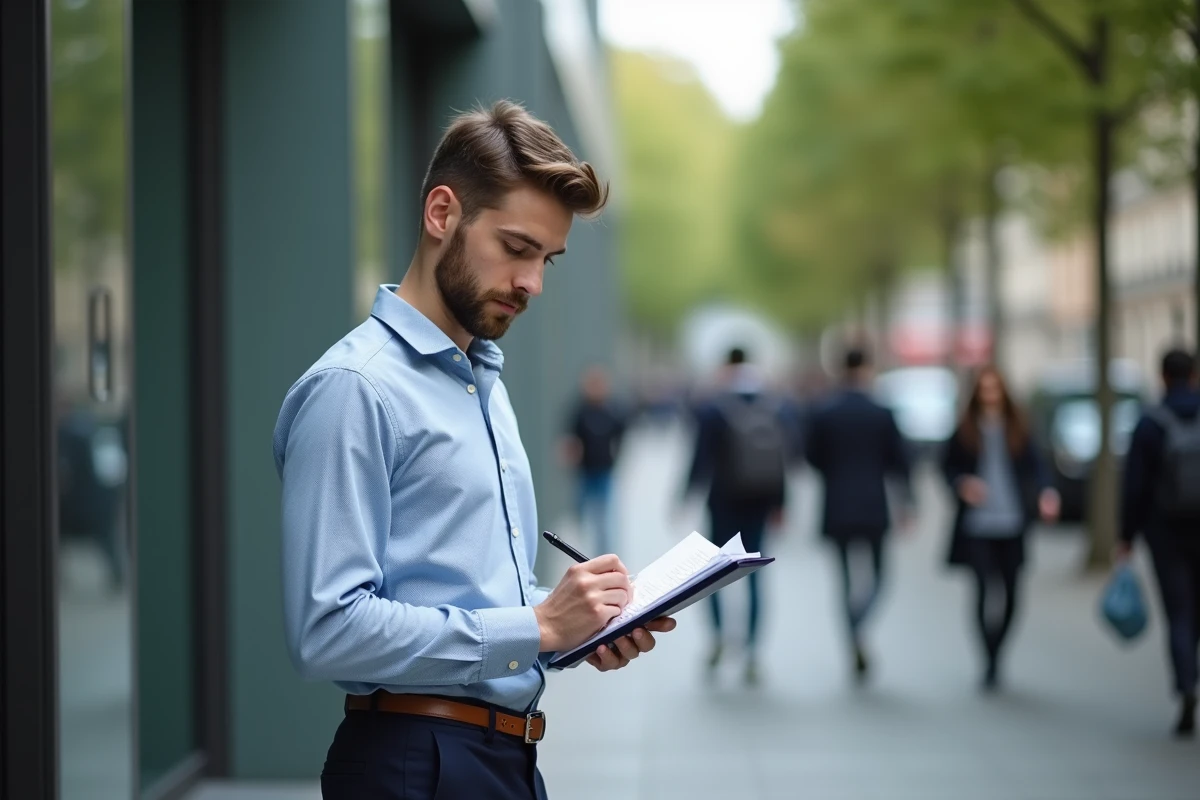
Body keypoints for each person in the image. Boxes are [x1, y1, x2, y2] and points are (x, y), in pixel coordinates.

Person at [273, 101, 675, 800]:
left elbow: (470, 597)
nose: (533, 284)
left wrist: (574, 631)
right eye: (517, 249)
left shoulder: (483, 379)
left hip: (504, 761)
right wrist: (538, 624)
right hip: (413, 763)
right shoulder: (355, 389)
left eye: (546, 259)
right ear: (441, 214)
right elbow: (327, 628)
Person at [942, 365, 1059, 691]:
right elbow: (947, 468)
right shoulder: (964, 429)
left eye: (995, 389)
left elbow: (1038, 467)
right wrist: (962, 484)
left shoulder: (1018, 427)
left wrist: (1046, 494)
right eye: (984, 390)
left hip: (1012, 522)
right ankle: (988, 659)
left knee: (1012, 595)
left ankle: (997, 651)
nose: (990, 395)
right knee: (982, 590)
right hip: (977, 525)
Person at [805, 346, 913, 683]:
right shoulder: (882, 411)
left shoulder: (825, 411)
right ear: (866, 368)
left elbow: (811, 456)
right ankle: (860, 624)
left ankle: (853, 634)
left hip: (836, 503)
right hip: (873, 504)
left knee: (845, 581)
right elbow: (899, 462)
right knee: (880, 576)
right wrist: (908, 503)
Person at [682, 346, 787, 686]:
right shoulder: (772, 404)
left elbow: (701, 456)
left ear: (727, 366)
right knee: (756, 575)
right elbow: (781, 457)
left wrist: (685, 495)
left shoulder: (715, 406)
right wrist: (781, 503)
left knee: (714, 573)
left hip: (722, 501)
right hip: (759, 500)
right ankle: (753, 650)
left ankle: (717, 638)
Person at [1118, 347, 1200, 738]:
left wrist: (1126, 536)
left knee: (1178, 611)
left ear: (1162, 376)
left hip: (1165, 532)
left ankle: (1186, 683)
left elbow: (1134, 486)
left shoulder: (1150, 422)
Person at [561, 365, 626, 556]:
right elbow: (570, 438)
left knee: (605, 518)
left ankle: (604, 553)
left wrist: (616, 455)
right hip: (585, 471)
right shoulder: (580, 410)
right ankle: (581, 550)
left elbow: (621, 432)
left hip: (604, 470)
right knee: (582, 514)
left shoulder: (611, 411)